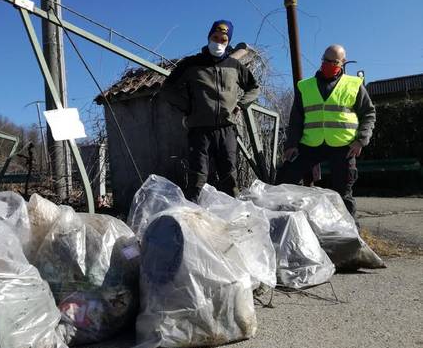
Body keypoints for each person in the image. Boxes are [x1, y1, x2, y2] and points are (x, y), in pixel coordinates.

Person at [160, 19, 260, 200]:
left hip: (226, 129)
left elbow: (254, 88)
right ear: (209, 37)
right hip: (199, 130)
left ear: (228, 42)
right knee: (197, 176)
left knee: (229, 175)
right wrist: (188, 107)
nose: (219, 43)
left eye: (224, 40)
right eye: (215, 37)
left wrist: (241, 104)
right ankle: (192, 217)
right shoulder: (190, 64)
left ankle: (233, 215)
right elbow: (167, 89)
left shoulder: (234, 65)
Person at [277, 44, 376, 218]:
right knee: (285, 179)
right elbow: (296, 119)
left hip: (343, 146)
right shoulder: (305, 86)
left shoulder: (354, 84)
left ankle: (350, 234)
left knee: (343, 193)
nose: (328, 64)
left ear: (343, 62)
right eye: (325, 60)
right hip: (310, 144)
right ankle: (280, 221)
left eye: (334, 61)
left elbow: (369, 113)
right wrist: (291, 144)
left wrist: (361, 139)